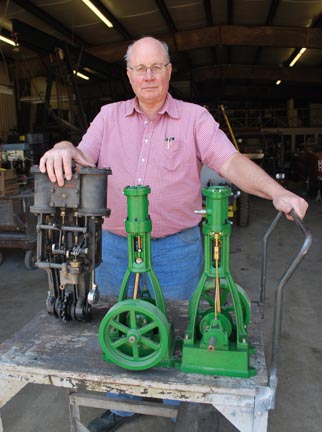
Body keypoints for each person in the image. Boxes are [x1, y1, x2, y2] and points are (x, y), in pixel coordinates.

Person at [39, 36, 308, 432]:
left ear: (169, 71)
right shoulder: (108, 116)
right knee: (121, 324)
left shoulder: (194, 118)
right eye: (140, 68)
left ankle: (178, 404)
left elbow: (230, 161)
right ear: (129, 75)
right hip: (117, 247)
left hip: (178, 249)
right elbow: (81, 155)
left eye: (156, 67)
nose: (148, 76)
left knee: (179, 332)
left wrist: (277, 192)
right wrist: (61, 146)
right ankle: (124, 403)